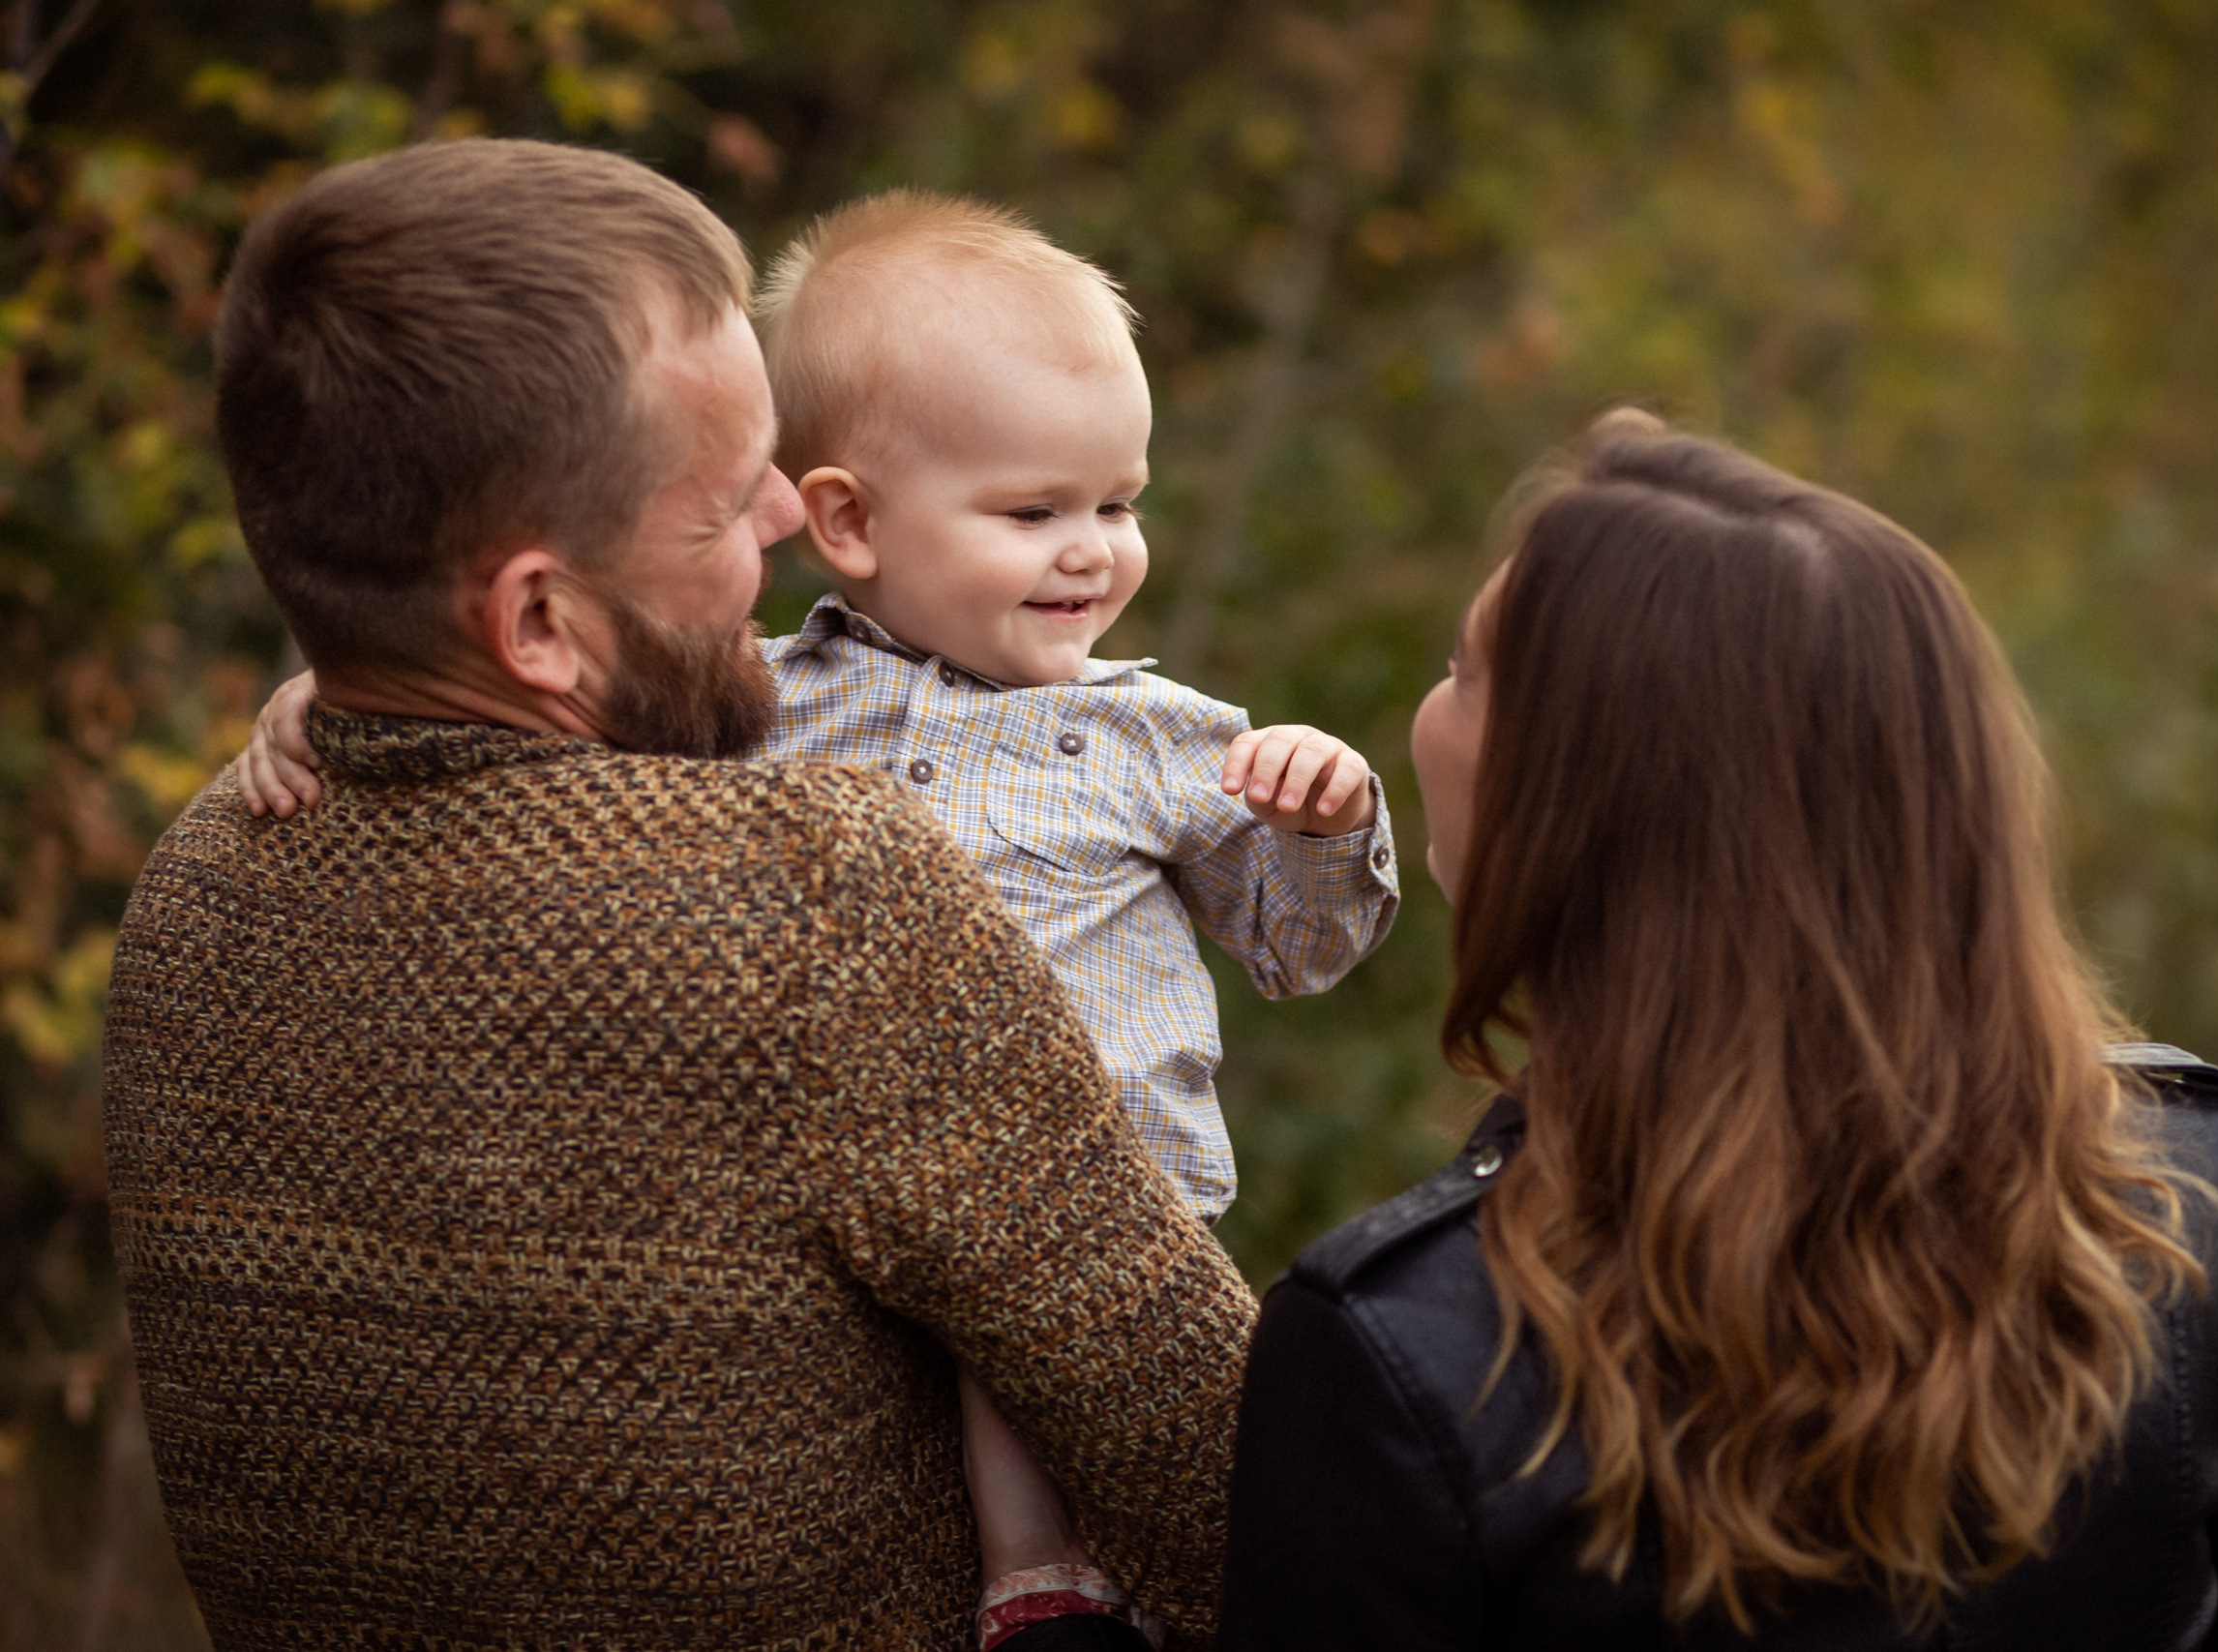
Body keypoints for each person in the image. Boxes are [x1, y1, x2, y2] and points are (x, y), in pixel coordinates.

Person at [103, 138, 1252, 1652]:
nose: (792, 518)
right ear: (535, 619)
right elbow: (1224, 1474)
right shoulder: (814, 894)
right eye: (722, 507)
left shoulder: (192, 889)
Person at [1218, 409, 2218, 1649]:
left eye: (1462, 672)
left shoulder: (1398, 1353)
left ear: (1572, 801)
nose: (1426, 709)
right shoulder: (2169, 1194)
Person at [242, 188, 1404, 1230]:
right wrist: (342, 696)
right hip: (834, 1202)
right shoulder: (758, 697)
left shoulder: (1166, 736)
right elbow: (512, 717)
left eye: (1119, 505)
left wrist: (1322, 823)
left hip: (1107, 1213)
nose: (1093, 553)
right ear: (848, 522)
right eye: (1033, 513)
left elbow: (1297, 950)